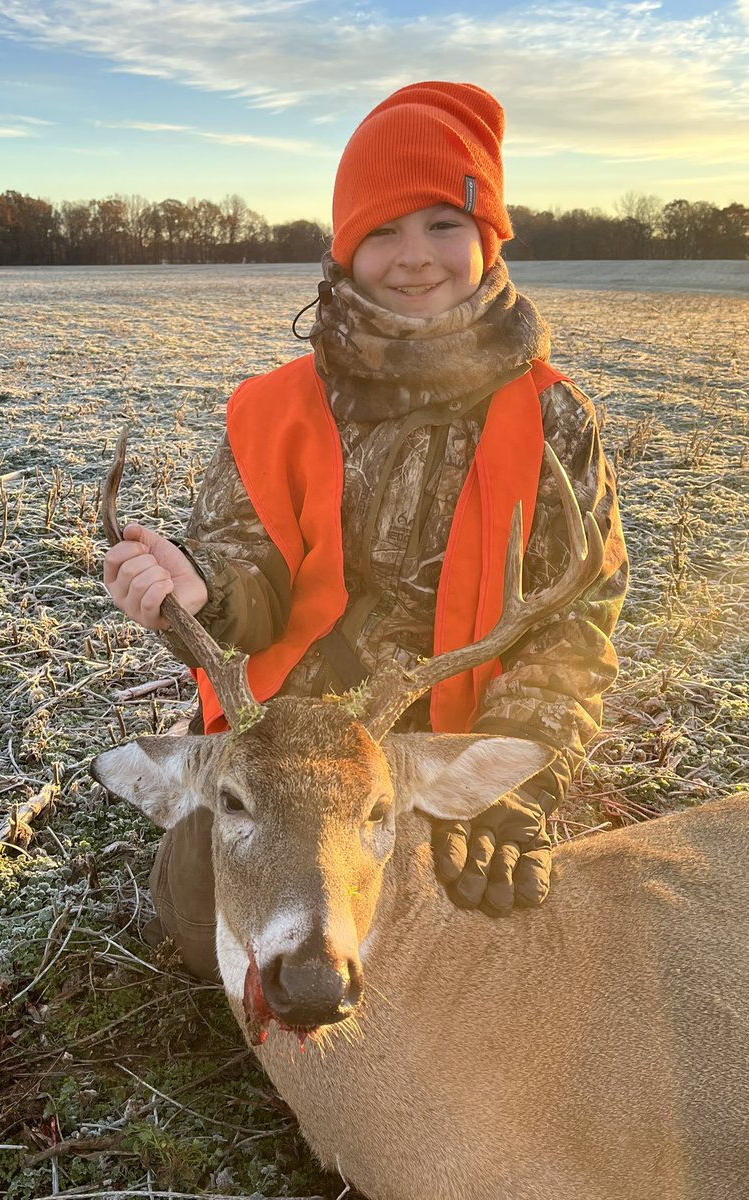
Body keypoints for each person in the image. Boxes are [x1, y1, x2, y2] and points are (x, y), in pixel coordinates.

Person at [103, 81, 628, 981]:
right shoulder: (273, 410)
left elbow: (577, 623)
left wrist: (513, 784)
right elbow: (246, 563)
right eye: (381, 231)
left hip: (435, 756)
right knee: (198, 938)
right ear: (346, 249)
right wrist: (206, 590)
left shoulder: (555, 419)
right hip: (277, 747)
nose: (414, 257)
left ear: (488, 237)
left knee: (475, 967)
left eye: (442, 225)